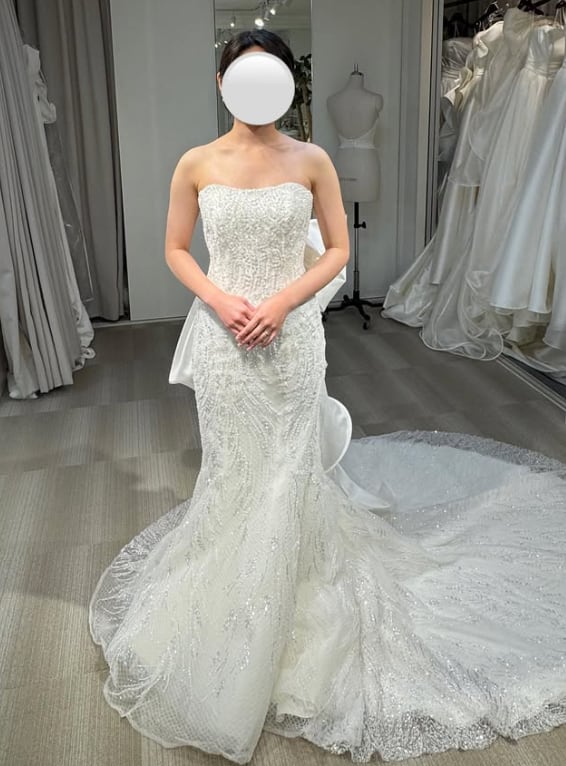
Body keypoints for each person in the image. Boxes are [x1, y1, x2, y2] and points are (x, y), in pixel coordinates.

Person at [89, 29, 566, 765]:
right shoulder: (196, 162)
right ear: (222, 84)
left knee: (290, 466)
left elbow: (339, 249)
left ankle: (291, 591)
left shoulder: (311, 159)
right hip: (223, 340)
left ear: (288, 85)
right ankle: (233, 584)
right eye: (243, 76)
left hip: (290, 341)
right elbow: (176, 249)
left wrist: (283, 302)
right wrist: (221, 299)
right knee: (233, 465)